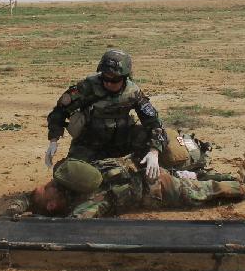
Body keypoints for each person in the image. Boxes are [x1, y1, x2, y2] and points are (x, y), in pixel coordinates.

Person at [1, 156, 245, 219]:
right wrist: (31, 216)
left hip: (151, 179)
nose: (44, 185)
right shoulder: (86, 203)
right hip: (159, 190)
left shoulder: (68, 185)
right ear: (52, 204)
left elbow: (29, 198)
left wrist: (18, 209)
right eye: (45, 189)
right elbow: (73, 224)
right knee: (204, 191)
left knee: (199, 183)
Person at [45, 49, 168, 180]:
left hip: (122, 140)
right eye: (105, 78)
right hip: (90, 143)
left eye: (114, 80)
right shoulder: (87, 88)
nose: (109, 83)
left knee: (151, 137)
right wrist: (53, 140)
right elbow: (59, 112)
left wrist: (154, 152)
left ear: (124, 77)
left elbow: (153, 122)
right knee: (70, 174)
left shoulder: (133, 92)